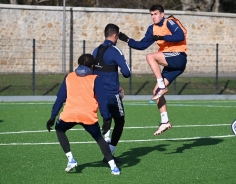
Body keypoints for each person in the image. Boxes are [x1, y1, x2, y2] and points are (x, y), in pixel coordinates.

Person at [118, 4, 187, 136]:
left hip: (178, 56)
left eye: (155, 14)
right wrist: (127, 40)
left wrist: (162, 37)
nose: (153, 17)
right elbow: (142, 45)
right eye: (151, 14)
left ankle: (162, 86)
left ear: (162, 14)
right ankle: (165, 121)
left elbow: (180, 36)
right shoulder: (152, 29)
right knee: (156, 92)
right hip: (171, 63)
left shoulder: (169, 22)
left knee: (150, 57)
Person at [46, 54, 120, 175]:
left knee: (59, 130)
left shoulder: (69, 77)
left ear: (78, 64)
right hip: (88, 116)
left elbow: (60, 98)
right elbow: (103, 101)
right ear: (92, 66)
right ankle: (113, 167)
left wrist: (53, 116)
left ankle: (71, 159)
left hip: (69, 114)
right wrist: (107, 120)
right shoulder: (95, 78)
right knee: (99, 139)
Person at [92, 23, 131, 163]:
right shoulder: (115, 51)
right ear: (115, 35)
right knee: (120, 121)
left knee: (106, 118)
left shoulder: (95, 51)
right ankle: (110, 153)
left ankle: (106, 135)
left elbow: (92, 72)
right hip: (112, 94)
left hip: (97, 94)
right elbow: (127, 73)